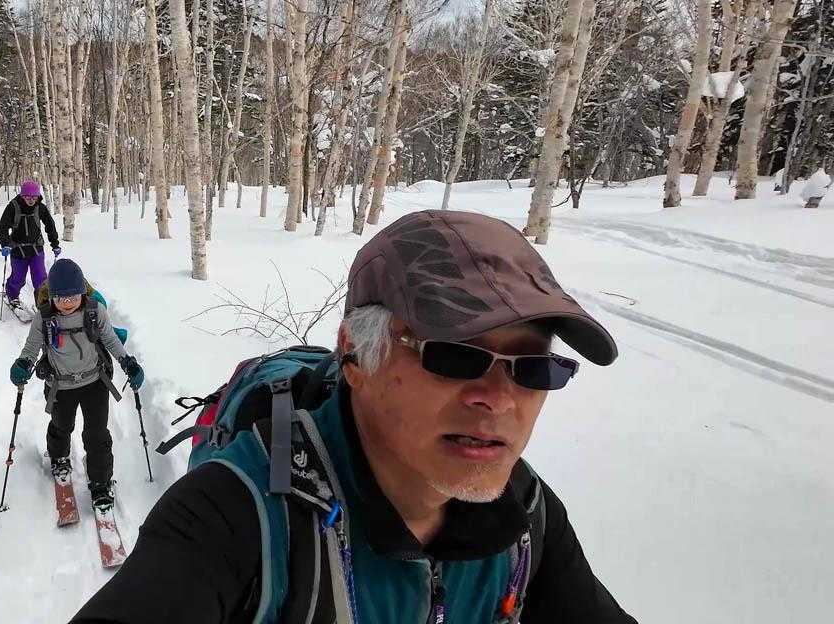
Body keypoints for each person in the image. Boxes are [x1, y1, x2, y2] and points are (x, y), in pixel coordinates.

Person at [72, 210, 637, 623]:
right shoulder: (240, 511)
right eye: (454, 357)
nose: (501, 398)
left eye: (534, 368)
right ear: (357, 355)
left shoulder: (527, 515)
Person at [10, 258, 145, 511]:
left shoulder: (95, 312)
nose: (67, 303)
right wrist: (23, 363)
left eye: (73, 297)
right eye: (61, 298)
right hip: (60, 385)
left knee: (97, 435)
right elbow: (32, 346)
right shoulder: (44, 317)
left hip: (95, 382)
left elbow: (111, 339)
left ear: (82, 293)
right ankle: (59, 457)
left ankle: (101, 482)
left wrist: (128, 362)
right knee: (62, 425)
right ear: (52, 296)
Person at [0, 179, 60, 308]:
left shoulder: (40, 207)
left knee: (40, 278)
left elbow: (50, 225)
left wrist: (55, 244)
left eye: (34, 197)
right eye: (28, 197)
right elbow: (2, 228)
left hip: (36, 249)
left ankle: (43, 303)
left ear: (38, 196)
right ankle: (12, 296)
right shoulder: (13, 207)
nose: (31, 200)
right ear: (22, 196)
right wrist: (5, 244)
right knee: (18, 278)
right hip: (18, 249)